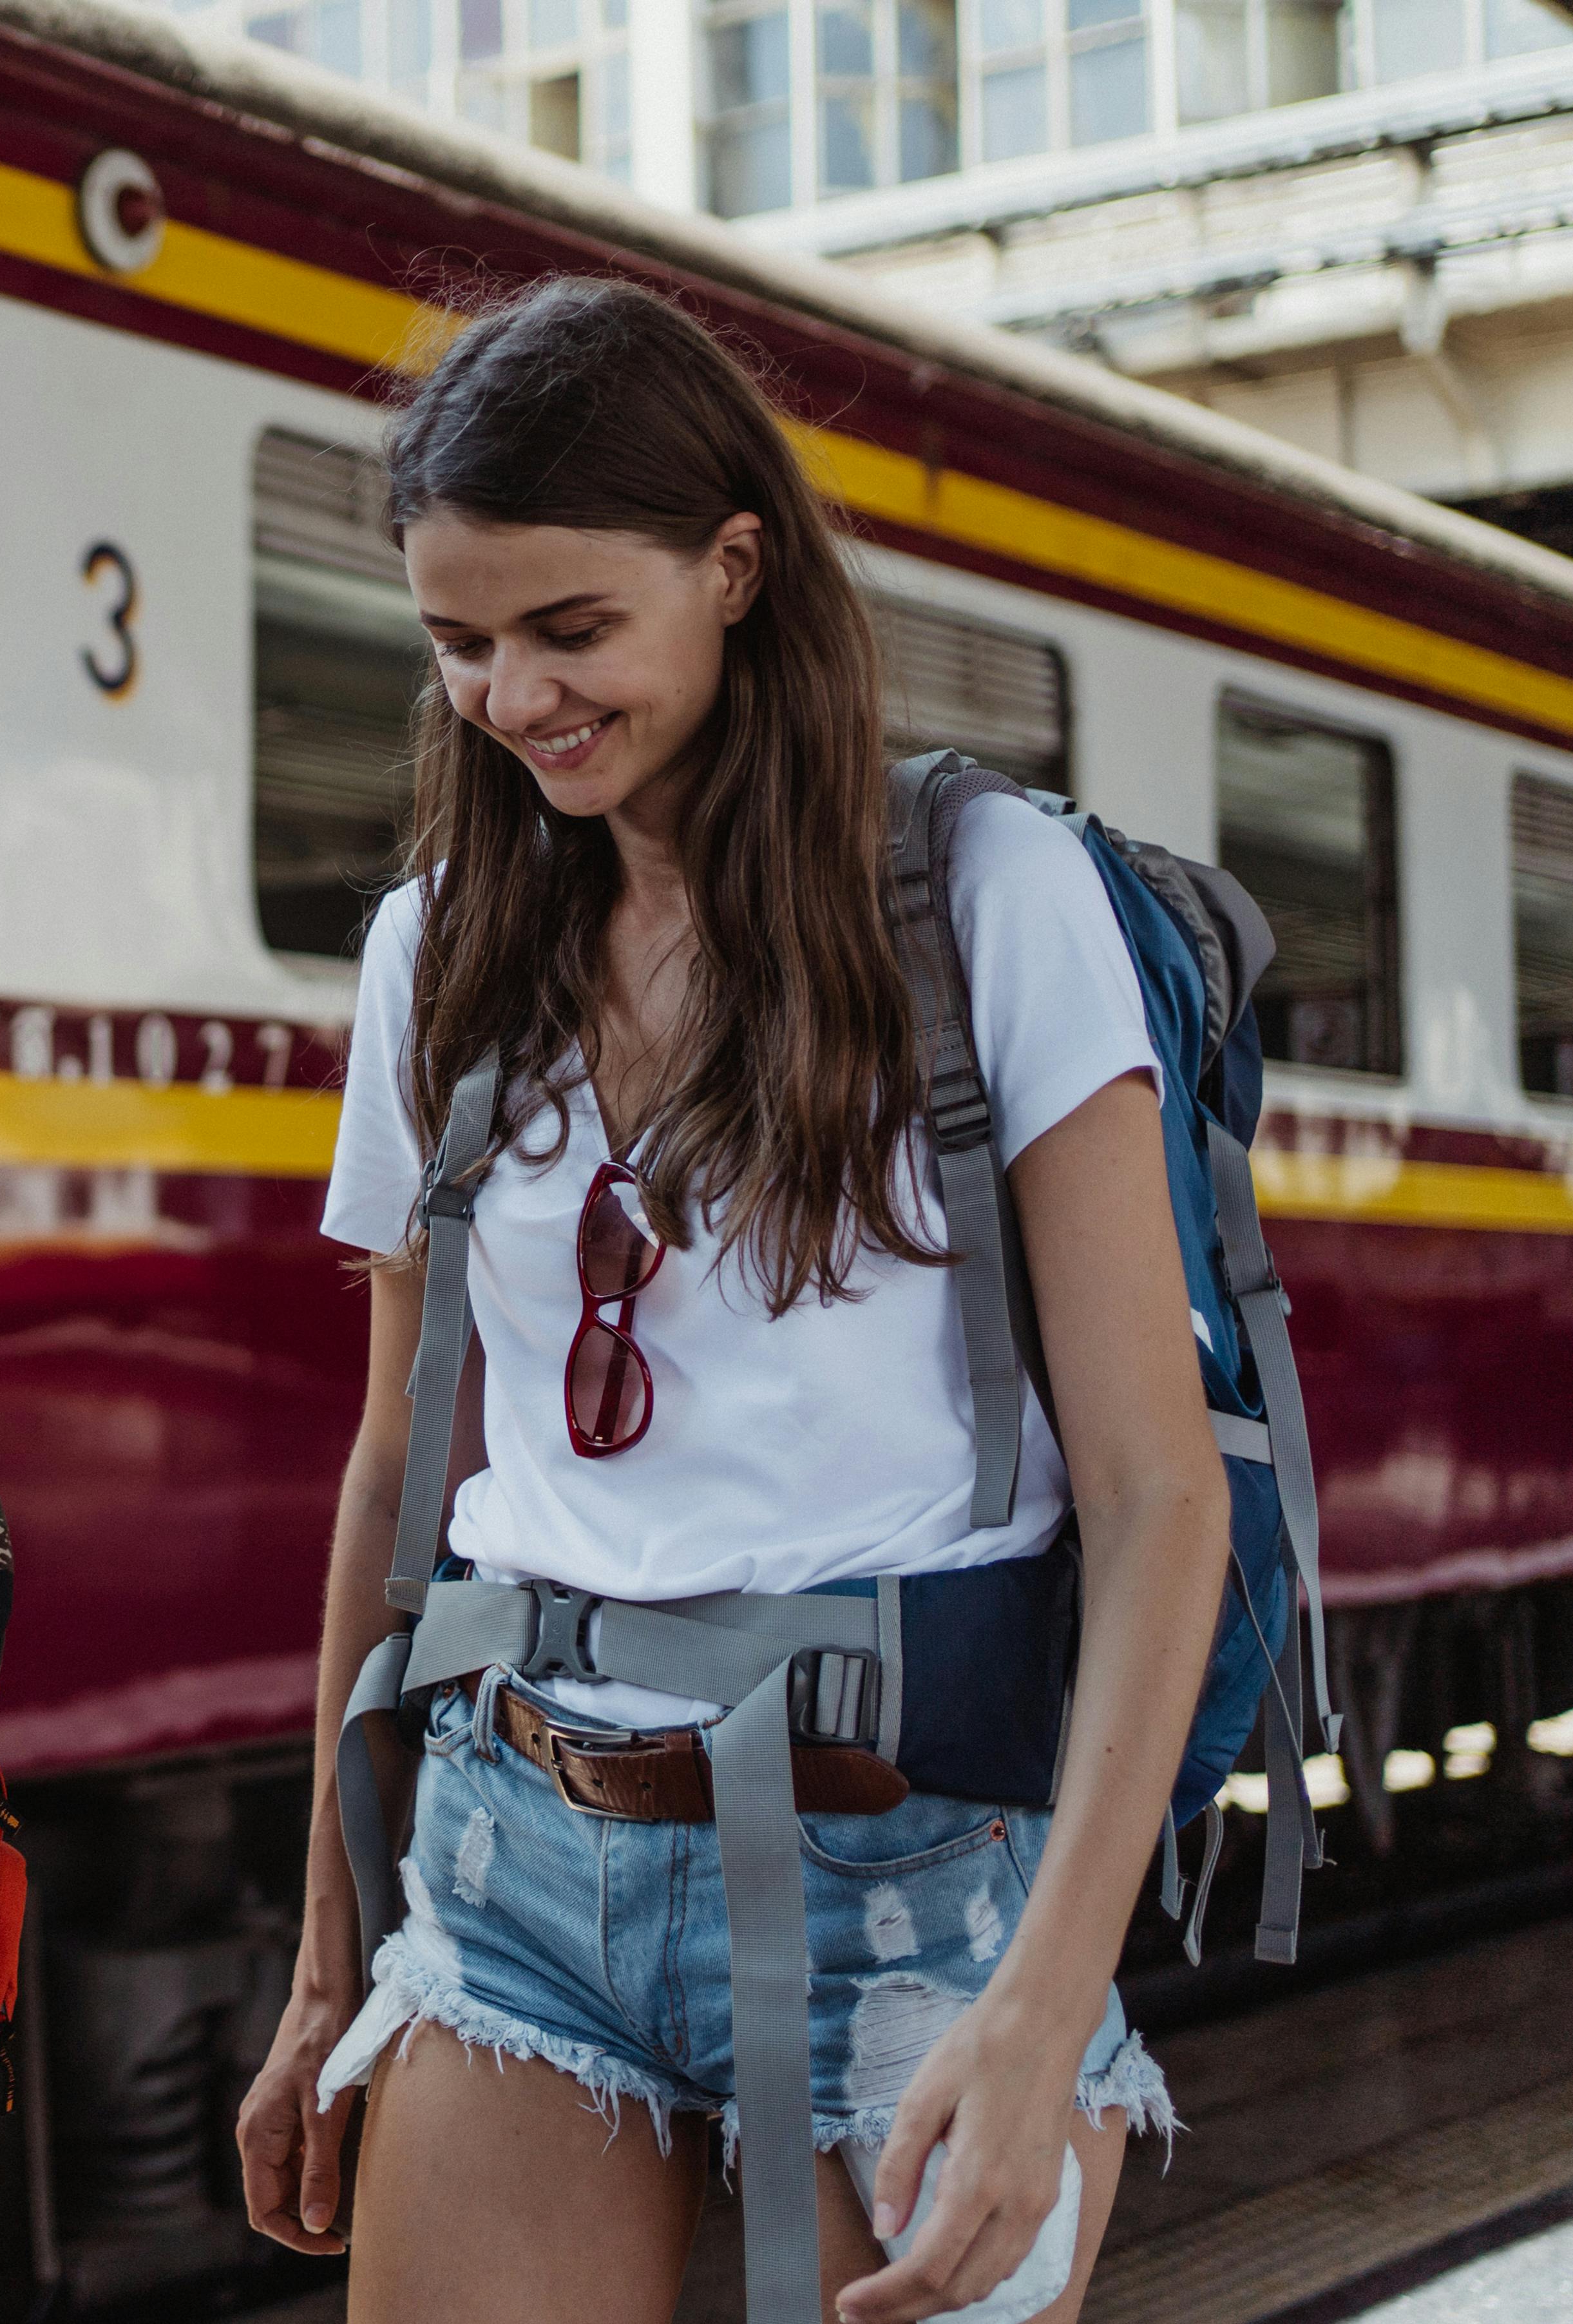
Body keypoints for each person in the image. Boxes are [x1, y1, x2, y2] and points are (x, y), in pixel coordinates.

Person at [233, 280, 1225, 2324]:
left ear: (734, 567)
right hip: (515, 1867)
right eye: (457, 642)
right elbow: (400, 1466)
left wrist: (1042, 2013)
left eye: (569, 631)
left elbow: (1151, 1492)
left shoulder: (983, 900)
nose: (510, 698)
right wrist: (327, 1951)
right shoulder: (438, 946)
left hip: (913, 1881)